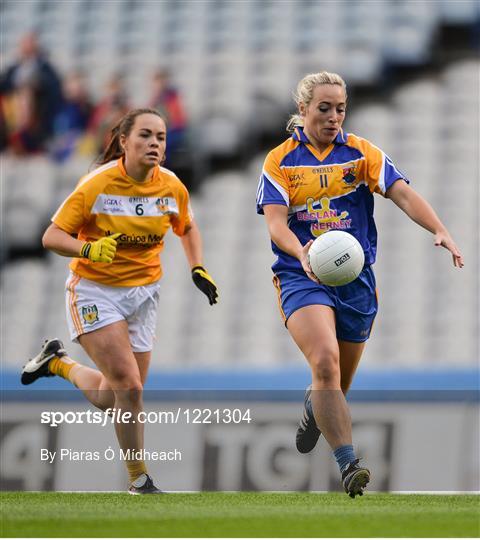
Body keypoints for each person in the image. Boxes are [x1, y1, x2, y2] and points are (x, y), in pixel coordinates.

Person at [255, 71, 464, 498]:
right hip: (302, 275)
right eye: (324, 108)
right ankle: (349, 465)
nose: (334, 117)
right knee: (326, 362)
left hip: (355, 280)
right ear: (303, 110)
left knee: (336, 386)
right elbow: (276, 224)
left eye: (341, 109)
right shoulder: (280, 161)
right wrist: (301, 255)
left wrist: (438, 229)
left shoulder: (360, 152)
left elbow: (402, 192)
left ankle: (316, 408)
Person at [21, 108, 218, 494]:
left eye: (161, 137)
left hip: (144, 295)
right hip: (95, 291)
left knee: (113, 396)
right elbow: (52, 236)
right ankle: (138, 479)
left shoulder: (171, 186)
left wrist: (198, 268)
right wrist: (90, 249)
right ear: (124, 141)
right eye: (145, 135)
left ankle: (57, 363)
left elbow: (188, 227)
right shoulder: (97, 184)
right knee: (130, 388)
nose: (155, 144)